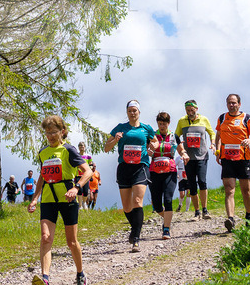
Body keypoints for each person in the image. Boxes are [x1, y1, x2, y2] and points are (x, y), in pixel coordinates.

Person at [28, 115, 92, 285]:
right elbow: (42, 176)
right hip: (48, 199)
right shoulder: (43, 152)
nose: (50, 136)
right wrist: (34, 198)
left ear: (62, 131)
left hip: (67, 199)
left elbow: (87, 171)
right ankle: (45, 280)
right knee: (45, 237)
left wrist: (76, 188)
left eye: (54, 132)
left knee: (71, 242)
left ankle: (80, 275)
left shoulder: (69, 150)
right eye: (47, 133)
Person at [104, 99, 157, 252]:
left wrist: (153, 146)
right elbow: (107, 148)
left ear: (139, 112)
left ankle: (136, 238)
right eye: (130, 111)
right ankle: (135, 228)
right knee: (127, 207)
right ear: (127, 112)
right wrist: (115, 139)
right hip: (124, 167)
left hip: (141, 166)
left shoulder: (146, 128)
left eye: (135, 110)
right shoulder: (120, 128)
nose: (132, 113)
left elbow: (155, 142)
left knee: (138, 201)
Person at [214, 93, 250, 232]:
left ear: (239, 104)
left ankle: (248, 214)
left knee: (245, 190)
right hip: (227, 159)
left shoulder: (246, 118)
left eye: (234, 103)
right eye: (229, 102)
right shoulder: (222, 118)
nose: (231, 105)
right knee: (229, 190)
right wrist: (218, 151)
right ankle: (231, 219)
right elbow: (218, 135)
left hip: (243, 158)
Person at [175, 99, 216, 221]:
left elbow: (212, 133)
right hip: (188, 158)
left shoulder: (204, 120)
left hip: (202, 155)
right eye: (187, 110)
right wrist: (181, 148)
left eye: (191, 110)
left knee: (202, 182)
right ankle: (197, 211)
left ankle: (205, 209)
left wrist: (213, 144)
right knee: (192, 184)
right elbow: (176, 136)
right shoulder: (182, 121)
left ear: (196, 109)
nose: (190, 112)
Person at [148, 111, 178, 239]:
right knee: (157, 204)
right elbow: (146, 150)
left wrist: (184, 154)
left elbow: (181, 148)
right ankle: (167, 218)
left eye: (164, 124)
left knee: (168, 199)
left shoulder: (173, 136)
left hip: (170, 171)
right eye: (160, 124)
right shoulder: (152, 136)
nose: (162, 126)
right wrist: (149, 151)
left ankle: (166, 229)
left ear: (168, 124)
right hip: (154, 172)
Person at [76, 141, 94, 208]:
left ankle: (84, 203)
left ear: (85, 147)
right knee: (80, 190)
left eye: (83, 146)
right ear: (78, 147)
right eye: (80, 146)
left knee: (86, 191)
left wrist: (89, 169)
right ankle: (80, 205)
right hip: (78, 175)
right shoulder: (77, 155)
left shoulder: (88, 156)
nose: (81, 148)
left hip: (86, 175)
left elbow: (91, 165)